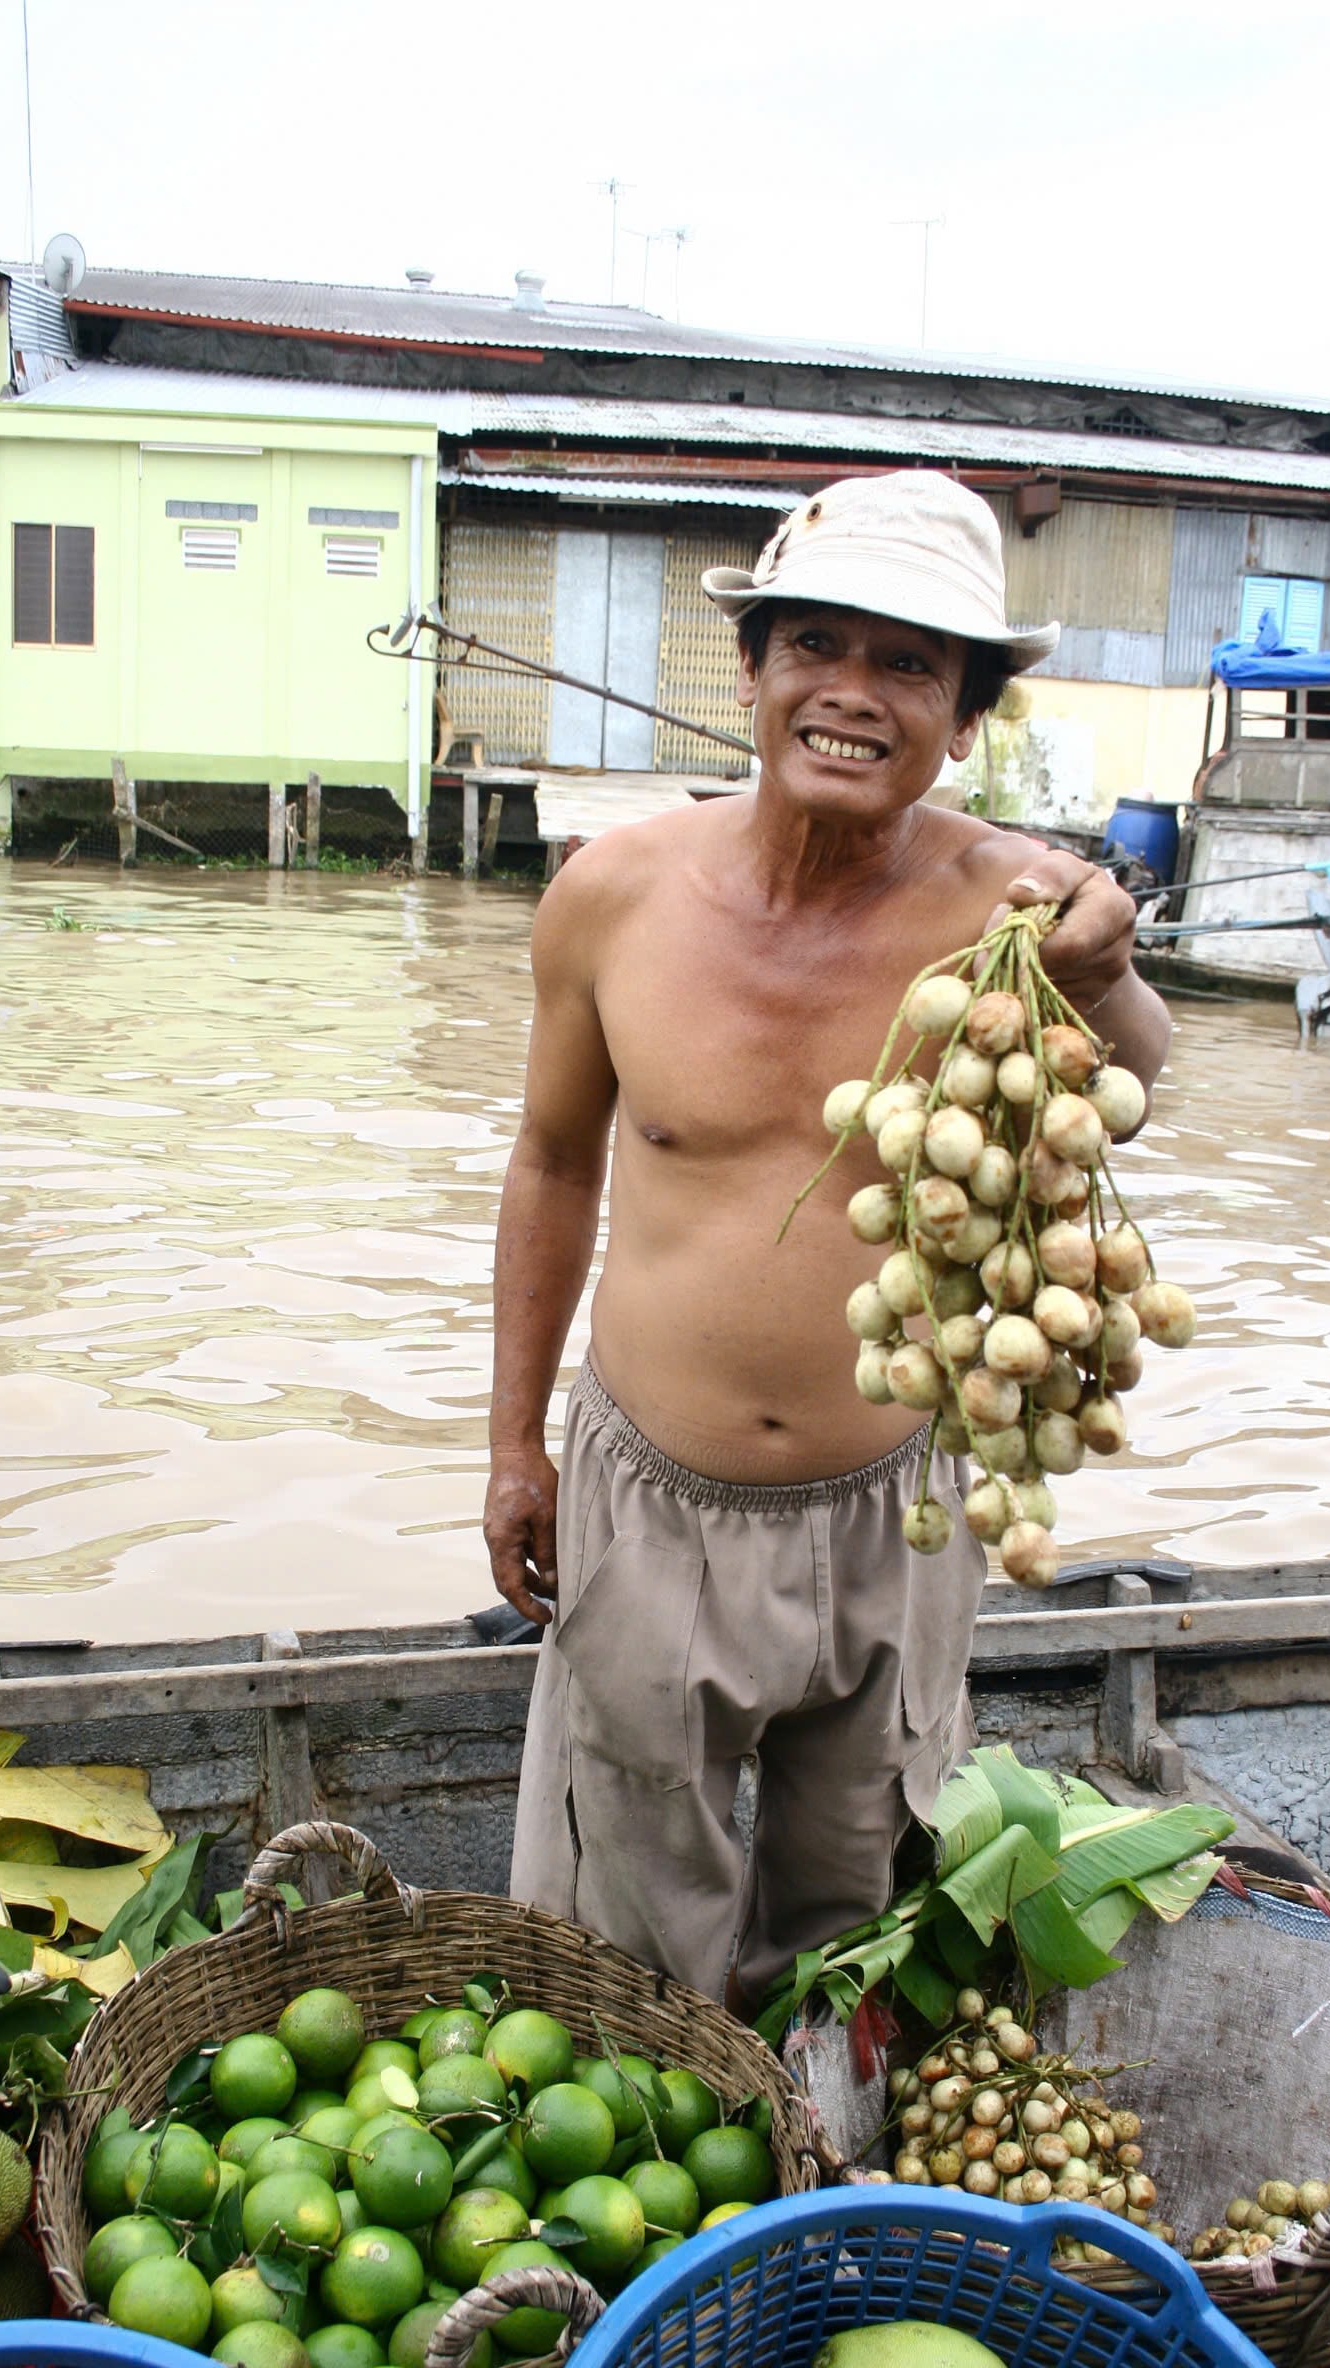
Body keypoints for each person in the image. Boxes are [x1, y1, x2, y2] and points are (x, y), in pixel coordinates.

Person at [483, 470, 1172, 2010]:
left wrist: (1111, 966)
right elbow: (548, 1165)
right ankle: (658, 2188)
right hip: (645, 1497)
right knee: (621, 1923)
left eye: (911, 664)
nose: (853, 696)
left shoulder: (1016, 913)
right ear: (753, 669)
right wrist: (513, 1446)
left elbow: (1134, 1088)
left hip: (900, 1506)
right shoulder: (612, 895)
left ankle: (814, 2179)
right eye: (817, 646)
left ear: (969, 714)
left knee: (848, 1909)